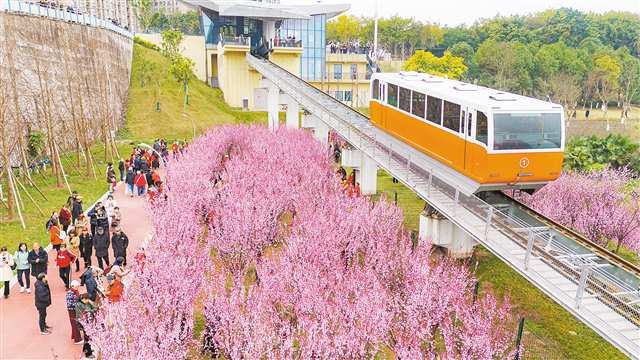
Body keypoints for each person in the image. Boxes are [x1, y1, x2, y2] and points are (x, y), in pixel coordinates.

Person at [76, 294, 97, 358]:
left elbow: (96, 307)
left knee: (87, 338)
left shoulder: (87, 303)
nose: (88, 300)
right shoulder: (79, 305)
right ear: (83, 299)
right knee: (87, 338)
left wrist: (90, 302)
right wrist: (92, 310)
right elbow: (86, 312)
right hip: (84, 324)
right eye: (87, 299)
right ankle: (88, 354)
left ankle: (86, 349)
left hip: (89, 322)